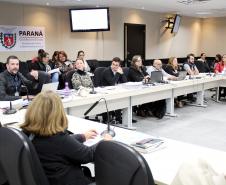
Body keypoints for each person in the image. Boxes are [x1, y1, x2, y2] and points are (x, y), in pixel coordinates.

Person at [20, 91, 111, 185]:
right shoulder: (59, 139)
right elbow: (88, 155)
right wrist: (104, 142)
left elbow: (66, 143)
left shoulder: (28, 134)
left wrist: (82, 136)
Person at [102, 57, 128, 123]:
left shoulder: (119, 70)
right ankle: (108, 118)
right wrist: (118, 73)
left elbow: (125, 82)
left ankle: (118, 118)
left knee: (121, 98)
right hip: (105, 92)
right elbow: (112, 83)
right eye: (113, 64)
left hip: (115, 91)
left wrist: (122, 74)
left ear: (119, 66)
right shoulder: (107, 71)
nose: (114, 66)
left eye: (116, 65)